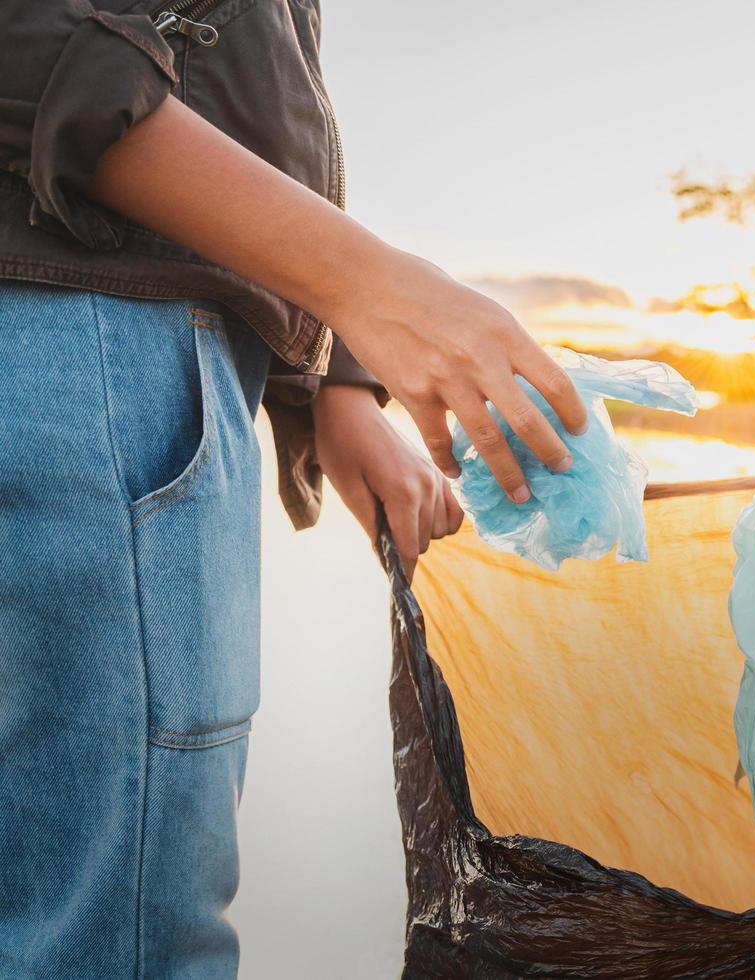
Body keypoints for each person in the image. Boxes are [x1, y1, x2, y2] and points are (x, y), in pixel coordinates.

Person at [0, 2, 585, 976]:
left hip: (110, 343)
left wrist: (333, 378)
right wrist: (365, 284)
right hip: (97, 341)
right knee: (122, 938)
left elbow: (247, 72)